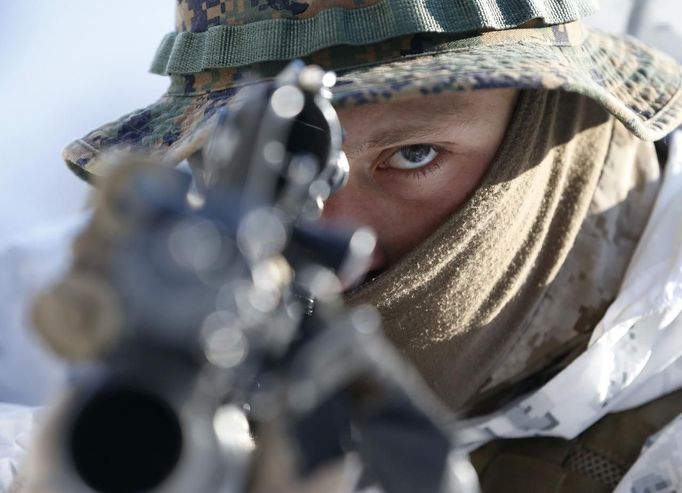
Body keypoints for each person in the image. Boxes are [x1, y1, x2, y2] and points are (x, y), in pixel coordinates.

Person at [6, 0, 682, 492]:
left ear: (569, 130)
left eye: (415, 154)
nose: (333, 235)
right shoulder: (50, 330)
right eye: (277, 171)